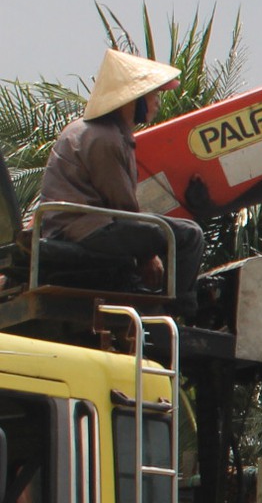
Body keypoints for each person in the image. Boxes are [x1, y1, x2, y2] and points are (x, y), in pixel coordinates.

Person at [33, 49, 204, 315]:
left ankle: (149, 299)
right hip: (88, 228)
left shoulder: (90, 131)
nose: (157, 102)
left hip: (70, 225)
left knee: (160, 232)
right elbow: (122, 206)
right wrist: (148, 256)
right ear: (132, 99)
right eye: (153, 95)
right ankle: (175, 312)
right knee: (188, 235)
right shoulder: (106, 139)